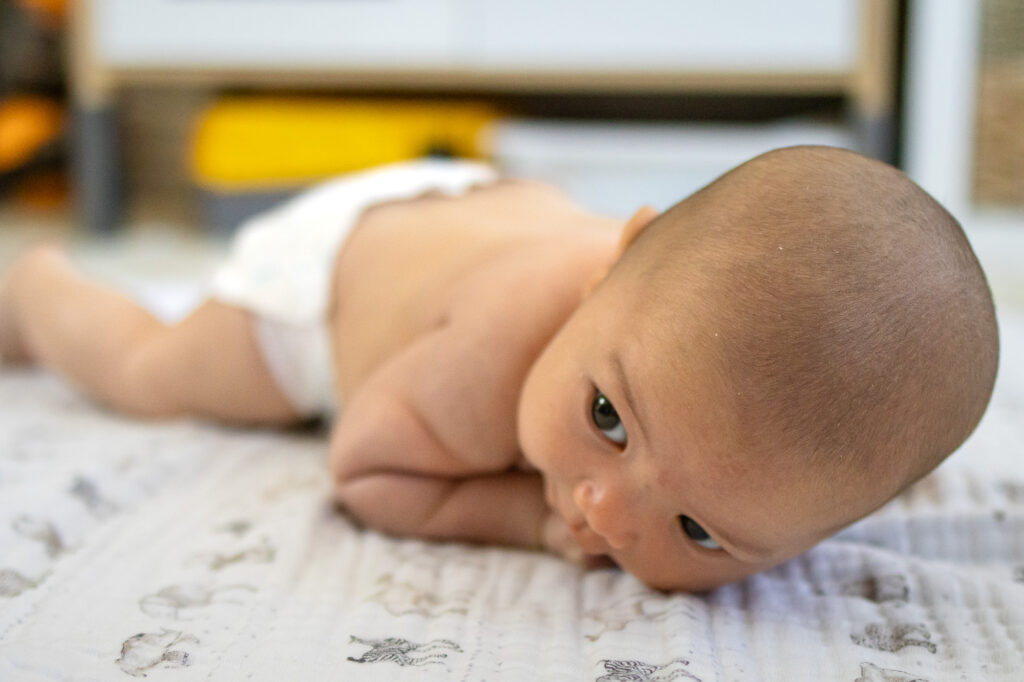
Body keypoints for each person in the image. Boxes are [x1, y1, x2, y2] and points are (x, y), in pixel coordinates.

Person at [0, 146, 999, 592]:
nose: (605, 511)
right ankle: (39, 295)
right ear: (611, 263)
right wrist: (523, 517)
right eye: (608, 416)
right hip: (335, 272)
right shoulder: (490, 353)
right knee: (155, 366)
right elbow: (367, 470)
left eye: (701, 531)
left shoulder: (639, 332)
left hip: (494, 204)